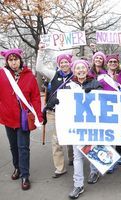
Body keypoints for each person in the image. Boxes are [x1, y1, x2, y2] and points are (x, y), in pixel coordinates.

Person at [0, 48, 43, 190]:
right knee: (13, 146)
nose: (13, 63)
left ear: (20, 60)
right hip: (7, 117)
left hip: (23, 117)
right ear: (7, 62)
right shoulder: (2, 74)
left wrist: (39, 115)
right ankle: (17, 168)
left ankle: (25, 175)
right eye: (10, 60)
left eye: (16, 59)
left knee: (23, 147)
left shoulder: (29, 76)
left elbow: (36, 98)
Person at [65, 59, 103, 199]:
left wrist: (93, 93)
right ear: (74, 71)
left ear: (87, 70)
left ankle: (94, 171)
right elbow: (63, 103)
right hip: (77, 126)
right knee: (77, 155)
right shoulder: (68, 86)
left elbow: (104, 101)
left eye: (83, 68)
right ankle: (78, 184)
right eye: (77, 68)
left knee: (91, 149)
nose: (80, 70)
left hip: (92, 124)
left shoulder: (96, 83)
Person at [97, 44, 121, 172]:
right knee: (107, 134)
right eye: (110, 62)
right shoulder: (101, 76)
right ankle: (109, 158)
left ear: (118, 63)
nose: (113, 63)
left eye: (115, 62)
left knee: (119, 134)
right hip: (106, 109)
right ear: (107, 63)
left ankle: (117, 155)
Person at [41, 52, 74, 178]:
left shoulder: (75, 74)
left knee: (71, 137)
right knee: (56, 140)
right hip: (55, 112)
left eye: (66, 62)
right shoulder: (54, 74)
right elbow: (39, 68)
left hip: (70, 113)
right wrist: (40, 51)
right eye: (61, 62)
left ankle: (72, 157)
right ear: (59, 64)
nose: (64, 64)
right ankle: (60, 168)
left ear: (70, 63)